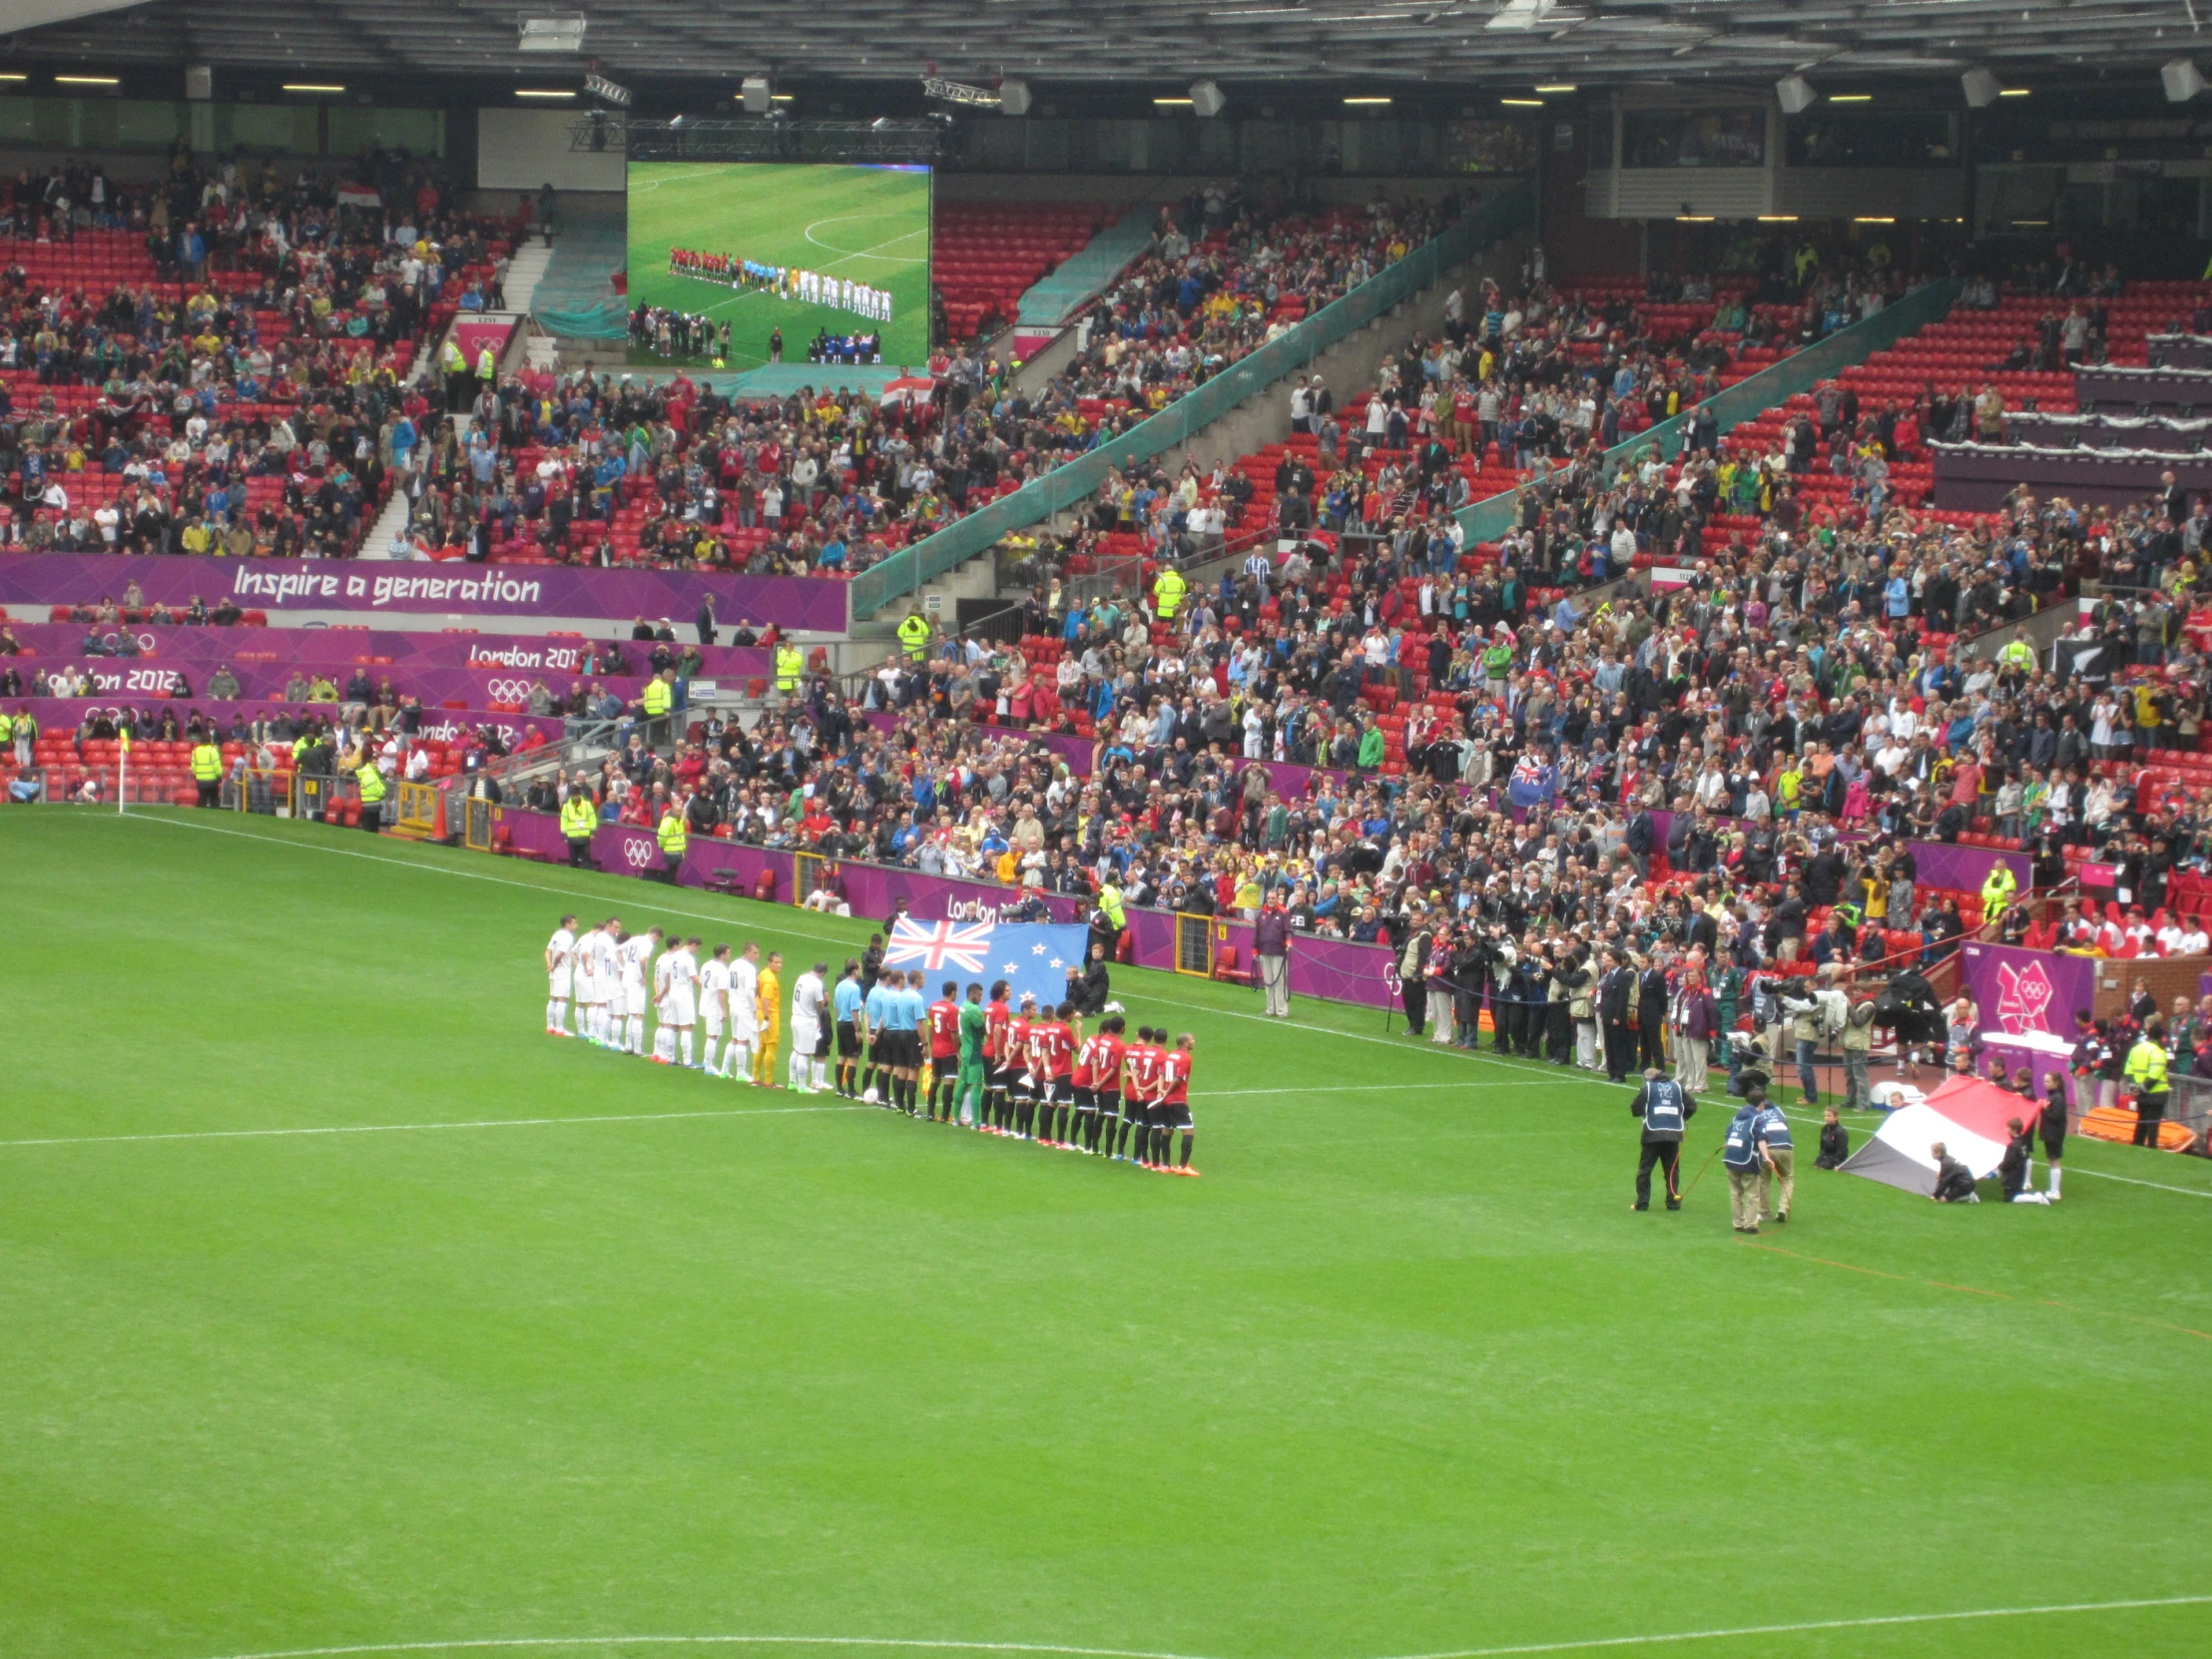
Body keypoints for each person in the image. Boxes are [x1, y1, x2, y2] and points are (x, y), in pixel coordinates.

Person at [1629, 1066, 1693, 1212]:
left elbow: (1636, 1107)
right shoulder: (1677, 1086)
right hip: (1673, 1133)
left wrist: (1645, 1114)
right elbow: (1691, 1106)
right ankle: (1673, 1202)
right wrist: (1680, 1118)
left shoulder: (1649, 1088)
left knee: (1645, 1169)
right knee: (1672, 1170)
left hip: (1652, 1134)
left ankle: (1642, 1202)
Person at [1722, 1091, 1767, 1235]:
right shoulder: (1758, 1119)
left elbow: (1728, 1135)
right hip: (1747, 1160)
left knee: (1735, 1193)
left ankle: (1738, 1223)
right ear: (1761, 1104)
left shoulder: (1737, 1117)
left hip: (1730, 1158)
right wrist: (1767, 1157)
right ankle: (1750, 1225)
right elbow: (1761, 1139)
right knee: (1752, 1195)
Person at [2124, 1014, 2171, 1147]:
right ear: (2161, 1037)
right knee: (2153, 1124)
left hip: (2140, 1093)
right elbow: (2154, 1075)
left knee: (2141, 1120)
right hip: (2156, 1093)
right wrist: (2143, 1090)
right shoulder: (2158, 1052)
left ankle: (2137, 1143)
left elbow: (2128, 1070)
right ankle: (2152, 1146)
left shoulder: (2136, 1049)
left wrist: (2135, 1089)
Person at [1155, 1031, 1198, 1175]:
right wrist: (1167, 1091)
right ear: (1185, 1043)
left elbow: (1161, 1074)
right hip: (1178, 1100)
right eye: (1191, 1039)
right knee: (1189, 1131)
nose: (1193, 1041)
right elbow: (1178, 1078)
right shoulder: (1185, 1057)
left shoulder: (1170, 1056)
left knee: (1167, 1130)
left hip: (1165, 1101)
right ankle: (1183, 1167)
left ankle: (1165, 1165)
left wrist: (1161, 1090)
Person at [619, 925, 661, 1056]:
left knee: (632, 1013)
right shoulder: (647, 944)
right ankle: (637, 1049)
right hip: (636, 981)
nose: (656, 942)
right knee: (639, 1014)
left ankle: (628, 1045)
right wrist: (643, 976)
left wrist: (625, 966)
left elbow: (618, 950)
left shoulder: (635, 938)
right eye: (657, 940)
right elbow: (643, 960)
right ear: (655, 935)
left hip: (626, 978)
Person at [1754, 1091, 1794, 1225]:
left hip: (1767, 1147)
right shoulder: (1778, 1109)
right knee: (1787, 1178)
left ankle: (1764, 1212)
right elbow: (1786, 1127)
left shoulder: (1754, 1113)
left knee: (1764, 1180)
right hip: (1785, 1146)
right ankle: (1783, 1207)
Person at [925, 979, 963, 1121]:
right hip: (948, 1050)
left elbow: (930, 1027)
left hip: (936, 1048)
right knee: (949, 1081)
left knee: (935, 1079)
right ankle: (945, 1116)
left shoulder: (933, 1006)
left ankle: (930, 1113)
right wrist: (957, 1051)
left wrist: (932, 1044)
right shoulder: (953, 1009)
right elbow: (954, 1032)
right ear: (953, 992)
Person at [789, 960, 828, 1093]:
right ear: (822, 973)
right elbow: (820, 1003)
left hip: (795, 1016)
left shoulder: (802, 977)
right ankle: (802, 1086)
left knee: (796, 1050)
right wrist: (820, 1013)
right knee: (804, 1053)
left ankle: (792, 1081)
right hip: (806, 1020)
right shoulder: (817, 983)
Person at [954, 982, 989, 1128]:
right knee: (976, 1085)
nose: (981, 998)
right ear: (973, 994)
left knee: (962, 1084)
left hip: (964, 1051)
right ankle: (976, 1122)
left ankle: (955, 1118)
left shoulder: (962, 1006)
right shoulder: (973, 1009)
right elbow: (983, 1031)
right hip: (974, 1052)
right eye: (980, 995)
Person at [724, 942, 761, 1082]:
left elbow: (728, 985)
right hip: (744, 1006)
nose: (757, 956)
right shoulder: (749, 968)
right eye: (754, 953)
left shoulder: (733, 964)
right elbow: (749, 992)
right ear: (746, 952)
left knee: (734, 1038)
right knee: (743, 1040)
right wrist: (753, 1008)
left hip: (733, 1004)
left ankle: (725, 1069)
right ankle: (740, 1072)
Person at [832, 960, 867, 1099]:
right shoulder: (854, 988)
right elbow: (854, 1011)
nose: (860, 971)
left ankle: (840, 1089)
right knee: (853, 1057)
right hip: (850, 1024)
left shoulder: (839, 985)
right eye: (859, 969)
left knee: (842, 1055)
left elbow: (836, 1007)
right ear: (854, 971)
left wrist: (839, 1019)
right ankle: (851, 1091)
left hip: (841, 1022)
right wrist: (857, 1030)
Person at [1999, 1117, 2052, 1204]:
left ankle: (2037, 1198)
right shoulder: (2023, 1142)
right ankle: (2037, 1197)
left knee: (2011, 1198)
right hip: (2020, 1175)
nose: (2006, 1129)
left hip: (2012, 1177)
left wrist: (2000, 1167)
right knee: (2017, 1193)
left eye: (2008, 1127)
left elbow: (2008, 1162)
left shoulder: (2013, 1145)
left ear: (2014, 1130)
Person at [1255, 893, 1292, 1017]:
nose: (1270, 900)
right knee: (1268, 982)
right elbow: (1256, 933)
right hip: (1264, 951)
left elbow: (1288, 930)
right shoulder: (1261, 914)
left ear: (1277, 899)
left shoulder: (1283, 913)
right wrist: (1254, 950)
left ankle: (1282, 1011)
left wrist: (1288, 941)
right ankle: (1271, 1009)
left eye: (1273, 898)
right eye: (1268, 898)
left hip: (1279, 952)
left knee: (1279, 981)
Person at [752, 951, 785, 1087]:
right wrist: (766, 1017)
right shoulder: (770, 979)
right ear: (769, 963)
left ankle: (755, 1076)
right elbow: (765, 998)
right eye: (775, 962)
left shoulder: (763, 973)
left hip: (760, 1011)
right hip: (769, 1013)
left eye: (780, 962)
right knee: (771, 1045)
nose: (778, 965)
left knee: (762, 1045)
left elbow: (756, 991)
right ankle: (768, 1080)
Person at [700, 944, 733, 1076]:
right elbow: (721, 992)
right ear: (723, 954)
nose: (729, 955)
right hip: (713, 1006)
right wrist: (724, 1011)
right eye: (728, 953)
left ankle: (705, 1061)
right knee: (713, 1036)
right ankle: (708, 1066)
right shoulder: (722, 970)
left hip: (704, 1002)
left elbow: (701, 984)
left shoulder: (706, 965)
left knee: (712, 1034)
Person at [544, 914, 578, 1038]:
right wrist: (554, 964)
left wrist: (549, 964)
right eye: (574, 923)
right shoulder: (568, 937)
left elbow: (547, 951)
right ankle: (560, 1028)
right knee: (562, 999)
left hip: (554, 972)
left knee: (553, 998)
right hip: (562, 971)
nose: (576, 926)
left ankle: (550, 1026)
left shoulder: (556, 934)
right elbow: (560, 954)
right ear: (567, 924)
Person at [2037, 1070, 2068, 1201]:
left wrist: (2044, 1109)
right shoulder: (2054, 1096)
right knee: (2052, 1159)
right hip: (2051, 1132)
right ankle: (2053, 1189)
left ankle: (2055, 1190)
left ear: (2056, 1083)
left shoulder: (2058, 1099)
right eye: (2045, 1081)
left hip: (2054, 1133)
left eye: (2048, 1081)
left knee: (2054, 1159)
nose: (2045, 1084)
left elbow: (2056, 1116)